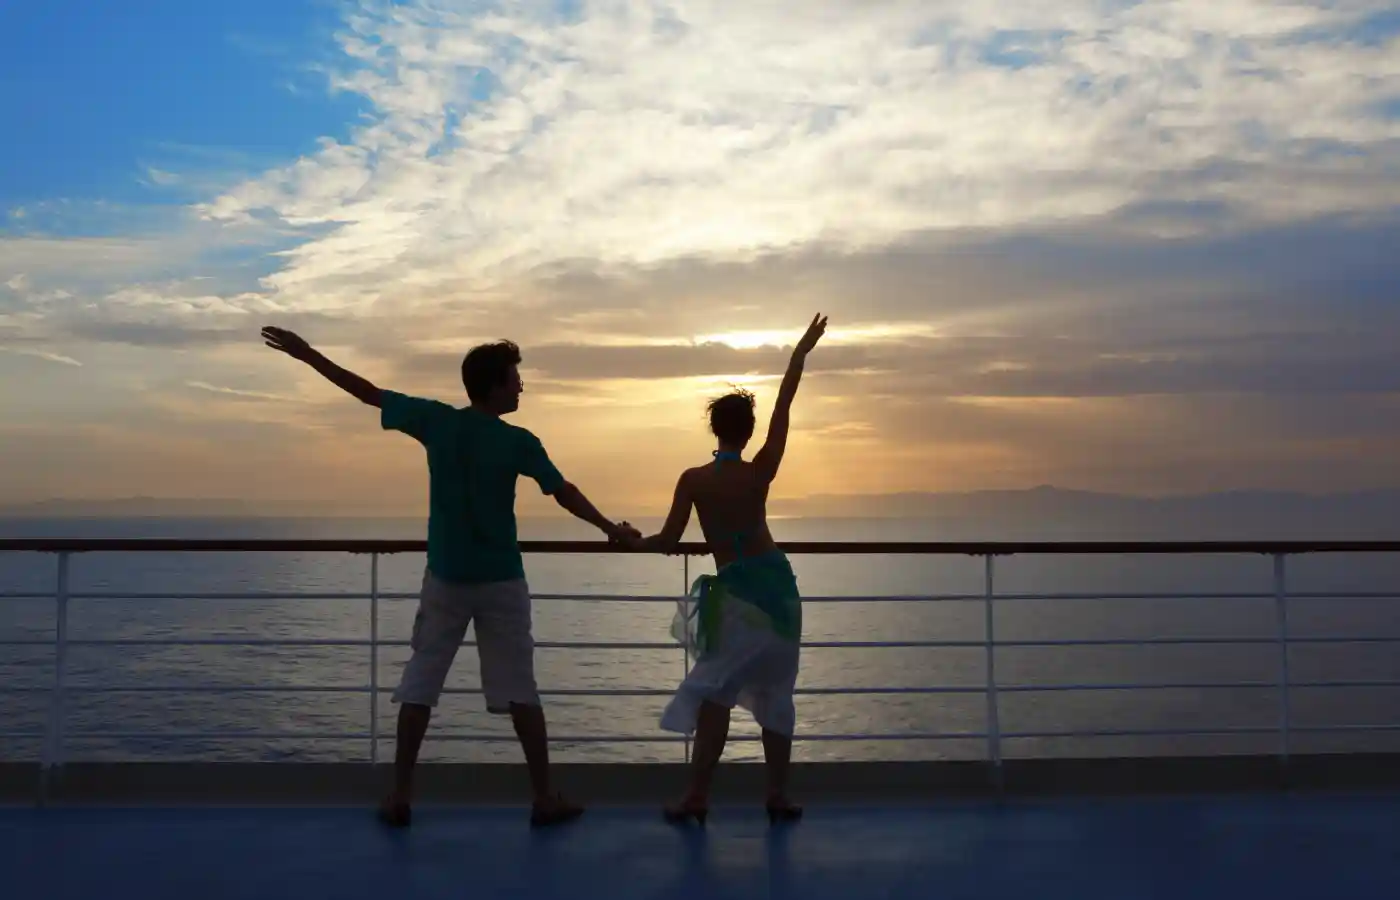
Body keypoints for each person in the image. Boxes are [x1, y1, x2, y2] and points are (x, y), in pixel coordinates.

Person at [260, 326, 637, 828]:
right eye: (516, 379)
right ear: (496, 386)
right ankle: (544, 798)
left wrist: (307, 355)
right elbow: (561, 491)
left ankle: (399, 796)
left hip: (446, 579)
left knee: (420, 684)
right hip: (502, 580)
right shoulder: (519, 442)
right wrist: (609, 529)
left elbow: (367, 393)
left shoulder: (436, 422)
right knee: (520, 689)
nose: (522, 387)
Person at [624, 313, 827, 826]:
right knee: (778, 694)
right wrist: (798, 354)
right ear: (749, 431)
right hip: (778, 591)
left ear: (714, 429)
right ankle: (777, 796)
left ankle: (697, 796)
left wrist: (631, 539)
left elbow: (668, 541)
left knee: (715, 691)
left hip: (735, 595)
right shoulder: (760, 472)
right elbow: (785, 406)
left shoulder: (693, 480)